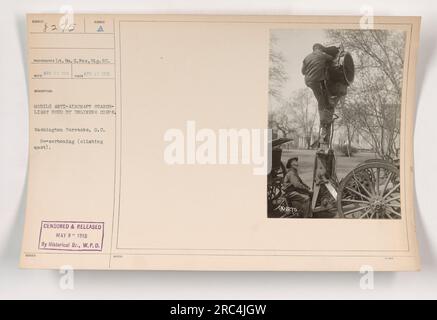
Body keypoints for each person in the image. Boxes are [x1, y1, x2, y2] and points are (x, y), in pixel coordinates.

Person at [301, 43, 339, 151]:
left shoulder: (307, 57)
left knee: (321, 99)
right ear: (319, 48)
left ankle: (324, 120)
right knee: (322, 102)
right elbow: (332, 59)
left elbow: (303, 72)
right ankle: (324, 123)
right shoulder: (322, 55)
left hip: (308, 81)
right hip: (317, 82)